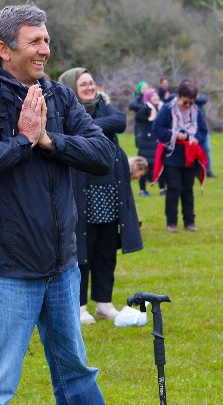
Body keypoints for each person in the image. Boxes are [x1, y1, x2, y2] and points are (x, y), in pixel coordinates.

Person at [0, 2, 113, 403]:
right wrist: (22, 141)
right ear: (4, 49)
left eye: (47, 40)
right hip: (7, 266)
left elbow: (102, 155)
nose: (44, 50)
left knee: (76, 373)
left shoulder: (58, 96)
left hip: (61, 265)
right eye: (34, 41)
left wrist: (49, 141)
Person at [59, 67, 143, 325]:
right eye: (82, 84)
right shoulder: (65, 112)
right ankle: (80, 306)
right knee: (82, 250)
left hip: (109, 191)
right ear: (72, 87)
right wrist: (87, 127)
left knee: (106, 249)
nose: (88, 87)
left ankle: (104, 304)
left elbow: (119, 121)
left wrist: (88, 126)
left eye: (91, 83)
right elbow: (70, 133)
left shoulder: (103, 107)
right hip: (80, 193)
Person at [152, 81, 208, 233]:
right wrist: (176, 136)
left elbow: (203, 130)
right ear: (178, 96)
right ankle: (171, 222)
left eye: (191, 102)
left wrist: (197, 138)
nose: (188, 105)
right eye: (185, 101)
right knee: (174, 188)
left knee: (188, 189)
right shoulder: (167, 110)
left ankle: (189, 222)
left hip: (190, 156)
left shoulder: (197, 112)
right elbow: (157, 129)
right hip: (172, 155)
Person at [129, 83, 160, 196]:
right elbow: (138, 118)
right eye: (154, 97)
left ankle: (162, 188)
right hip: (146, 141)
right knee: (144, 164)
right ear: (148, 98)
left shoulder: (160, 108)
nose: (156, 98)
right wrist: (150, 118)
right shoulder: (145, 108)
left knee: (158, 164)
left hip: (155, 141)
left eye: (157, 96)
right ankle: (143, 190)